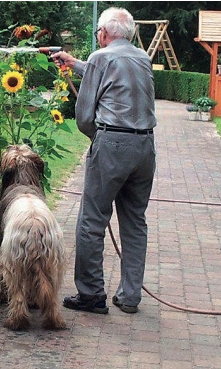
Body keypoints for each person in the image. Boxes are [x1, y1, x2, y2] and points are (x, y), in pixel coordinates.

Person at [52, 7, 156, 314]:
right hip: (145, 147)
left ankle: (91, 294)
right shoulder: (142, 57)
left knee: (92, 221)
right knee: (135, 222)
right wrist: (73, 63)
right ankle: (130, 297)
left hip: (113, 144)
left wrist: (101, 141)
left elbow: (84, 118)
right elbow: (113, 73)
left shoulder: (101, 57)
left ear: (104, 33)